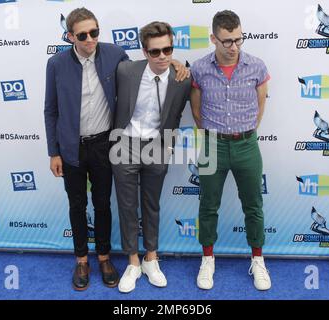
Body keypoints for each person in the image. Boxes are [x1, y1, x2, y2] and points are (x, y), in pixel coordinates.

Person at [44, 8, 188, 291]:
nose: (90, 39)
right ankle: (85, 260)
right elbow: (51, 110)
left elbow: (157, 63)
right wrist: (54, 151)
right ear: (70, 36)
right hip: (79, 147)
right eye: (82, 35)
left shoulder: (115, 56)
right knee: (80, 204)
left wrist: (177, 63)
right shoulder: (58, 64)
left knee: (108, 204)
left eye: (94, 32)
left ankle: (115, 258)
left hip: (107, 144)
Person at [190, 10, 271, 291]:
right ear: (213, 38)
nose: (234, 46)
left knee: (253, 205)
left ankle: (258, 259)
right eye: (226, 41)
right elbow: (197, 111)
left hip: (247, 144)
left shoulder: (257, 66)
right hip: (212, 145)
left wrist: (246, 130)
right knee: (208, 205)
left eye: (238, 39)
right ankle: (208, 258)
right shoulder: (199, 68)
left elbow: (261, 105)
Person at [110, 21, 191, 293]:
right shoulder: (126, 70)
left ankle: (151, 258)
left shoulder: (182, 78)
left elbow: (177, 114)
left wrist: (167, 144)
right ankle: (133, 262)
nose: (163, 56)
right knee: (127, 205)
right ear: (144, 52)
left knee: (151, 204)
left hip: (158, 146)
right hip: (125, 144)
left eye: (168, 49)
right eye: (155, 52)